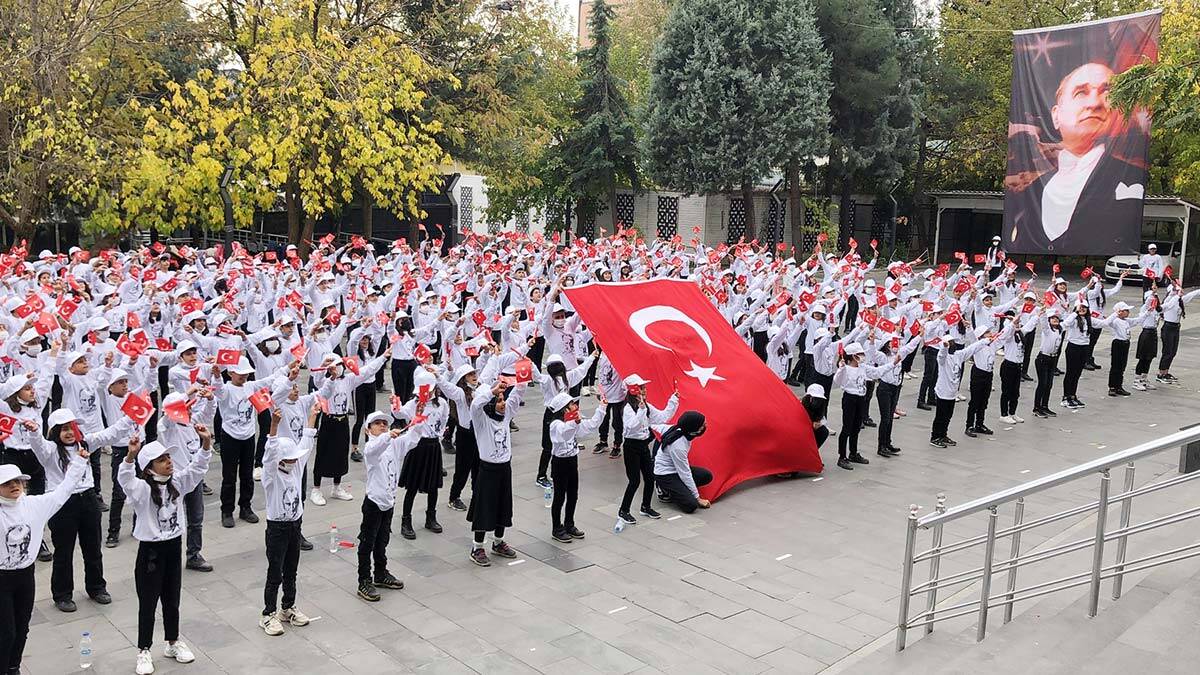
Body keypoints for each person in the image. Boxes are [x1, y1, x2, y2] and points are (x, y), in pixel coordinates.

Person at [1009, 63, 1147, 253]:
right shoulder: (1030, 192)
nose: (1094, 103)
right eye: (1081, 93)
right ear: (1056, 116)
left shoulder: (1132, 177)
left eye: (1107, 93)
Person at [20, 410, 133, 612]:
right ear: (55, 432)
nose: (70, 433)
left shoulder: (86, 443)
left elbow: (111, 433)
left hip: (88, 499)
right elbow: (38, 445)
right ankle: (62, 594)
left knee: (93, 548)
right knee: (64, 551)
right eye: (64, 429)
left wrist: (132, 415)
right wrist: (34, 432)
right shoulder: (51, 450)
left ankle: (97, 587)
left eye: (72, 428)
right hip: (63, 505)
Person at [118, 434, 211, 675]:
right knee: (148, 603)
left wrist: (206, 443)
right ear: (149, 468)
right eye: (161, 459)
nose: (169, 462)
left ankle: (173, 642)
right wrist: (130, 455)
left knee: (172, 599)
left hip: (173, 546)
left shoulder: (177, 482)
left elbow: (198, 467)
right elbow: (125, 478)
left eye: (168, 456)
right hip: (151, 552)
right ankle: (144, 650)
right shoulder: (141, 489)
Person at [0, 455, 88, 674]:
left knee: (22, 627)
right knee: (6, 631)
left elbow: (62, 492)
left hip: (25, 577)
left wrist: (78, 463)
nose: (14, 486)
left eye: (17, 481)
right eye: (7, 483)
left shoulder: (34, 505)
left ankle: (14, 666)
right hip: (1, 579)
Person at [258, 403, 318, 635]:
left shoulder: (297, 465)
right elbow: (270, 454)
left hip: (295, 525)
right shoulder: (271, 476)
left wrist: (312, 416)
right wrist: (273, 426)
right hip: (277, 528)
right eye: (289, 459)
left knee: (291, 569)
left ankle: (288, 607)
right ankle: (268, 613)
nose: (294, 461)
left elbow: (306, 442)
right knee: (275, 572)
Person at [355, 411, 418, 601]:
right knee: (367, 542)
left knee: (382, 540)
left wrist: (419, 421)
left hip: (389, 502)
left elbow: (413, 438)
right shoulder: (372, 447)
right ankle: (364, 580)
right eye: (377, 423)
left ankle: (380, 573)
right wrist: (386, 437)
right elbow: (373, 450)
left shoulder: (393, 444)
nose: (382, 426)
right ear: (368, 429)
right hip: (374, 503)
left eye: (385, 423)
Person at [467, 380, 524, 566]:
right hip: (488, 470)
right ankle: (477, 547)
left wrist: (523, 377)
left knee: (503, 506)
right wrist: (492, 391)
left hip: (504, 468)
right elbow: (476, 405)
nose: (503, 403)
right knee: (484, 508)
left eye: (502, 399)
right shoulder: (481, 420)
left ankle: (498, 542)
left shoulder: (506, 416)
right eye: (499, 400)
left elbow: (515, 397)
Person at [616, 376, 678, 525]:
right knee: (634, 480)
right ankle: (624, 511)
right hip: (631, 447)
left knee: (650, 477)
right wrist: (642, 410)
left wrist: (673, 401)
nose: (645, 390)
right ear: (634, 390)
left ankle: (646, 506)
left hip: (643, 446)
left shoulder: (647, 406)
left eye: (644, 387)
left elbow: (663, 417)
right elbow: (632, 427)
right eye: (642, 388)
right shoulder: (628, 409)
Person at [546, 392, 604, 542]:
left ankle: (569, 524)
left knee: (573, 494)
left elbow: (591, 425)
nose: (576, 406)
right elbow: (563, 434)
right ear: (564, 409)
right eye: (572, 404)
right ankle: (556, 528)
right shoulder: (555, 425)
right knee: (559, 496)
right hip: (560, 463)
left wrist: (602, 406)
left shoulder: (574, 422)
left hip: (572, 460)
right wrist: (574, 422)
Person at [653, 411, 713, 514]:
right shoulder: (678, 446)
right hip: (665, 474)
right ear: (693, 429)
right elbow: (684, 473)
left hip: (675, 469)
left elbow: (655, 427)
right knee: (690, 505)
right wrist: (698, 498)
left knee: (706, 476)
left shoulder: (677, 429)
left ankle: (679, 488)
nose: (705, 426)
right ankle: (663, 488)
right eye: (702, 425)